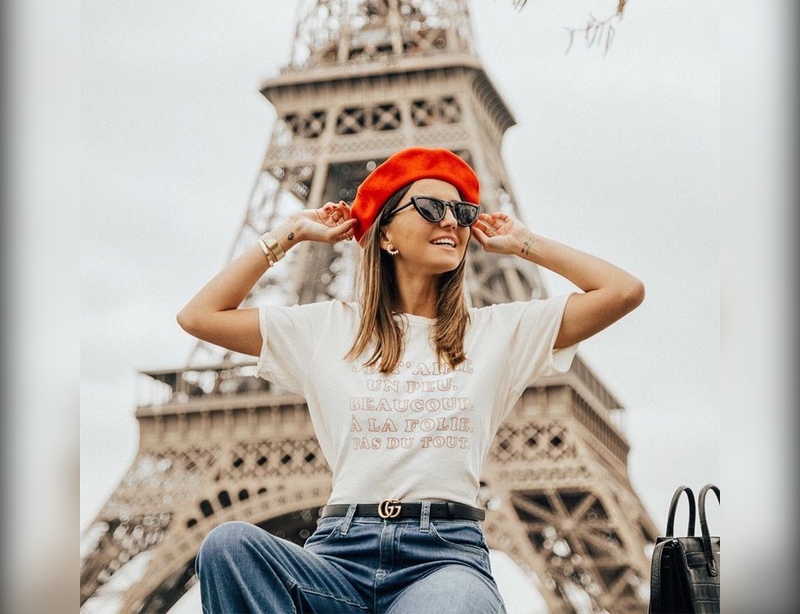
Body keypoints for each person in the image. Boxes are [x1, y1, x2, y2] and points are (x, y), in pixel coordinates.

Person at [177, 146, 645, 614]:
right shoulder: (324, 329)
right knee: (228, 545)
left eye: (461, 211)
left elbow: (622, 291)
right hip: (339, 554)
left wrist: (523, 243)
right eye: (429, 208)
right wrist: (289, 234)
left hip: (443, 556)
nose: (450, 221)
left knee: (449, 606)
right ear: (386, 236)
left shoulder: (498, 332)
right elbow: (199, 317)